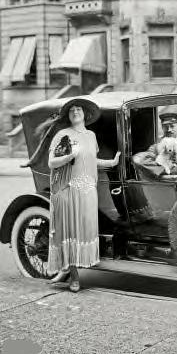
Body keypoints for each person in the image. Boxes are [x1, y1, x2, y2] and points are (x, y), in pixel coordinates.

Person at [44, 98, 120, 292]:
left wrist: (111, 163)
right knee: (71, 232)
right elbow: (51, 163)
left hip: (88, 192)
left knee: (84, 231)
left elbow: (91, 161)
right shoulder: (63, 134)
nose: (75, 112)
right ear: (69, 116)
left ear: (85, 115)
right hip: (70, 191)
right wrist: (70, 156)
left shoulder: (91, 136)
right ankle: (74, 277)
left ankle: (70, 268)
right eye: (71, 110)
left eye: (78, 109)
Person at [133, 112, 177, 179]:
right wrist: (166, 171)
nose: (169, 129)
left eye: (172, 126)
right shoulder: (155, 148)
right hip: (165, 186)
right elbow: (142, 162)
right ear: (162, 127)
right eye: (165, 126)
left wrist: (173, 166)